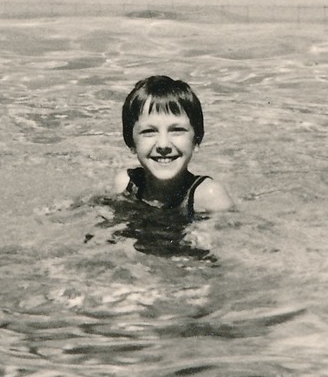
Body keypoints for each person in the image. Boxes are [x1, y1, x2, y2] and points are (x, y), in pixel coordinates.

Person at [92, 75, 233, 258]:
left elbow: (229, 252)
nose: (163, 145)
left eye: (177, 130)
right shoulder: (127, 184)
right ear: (131, 143)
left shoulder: (208, 197)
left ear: (196, 140)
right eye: (149, 131)